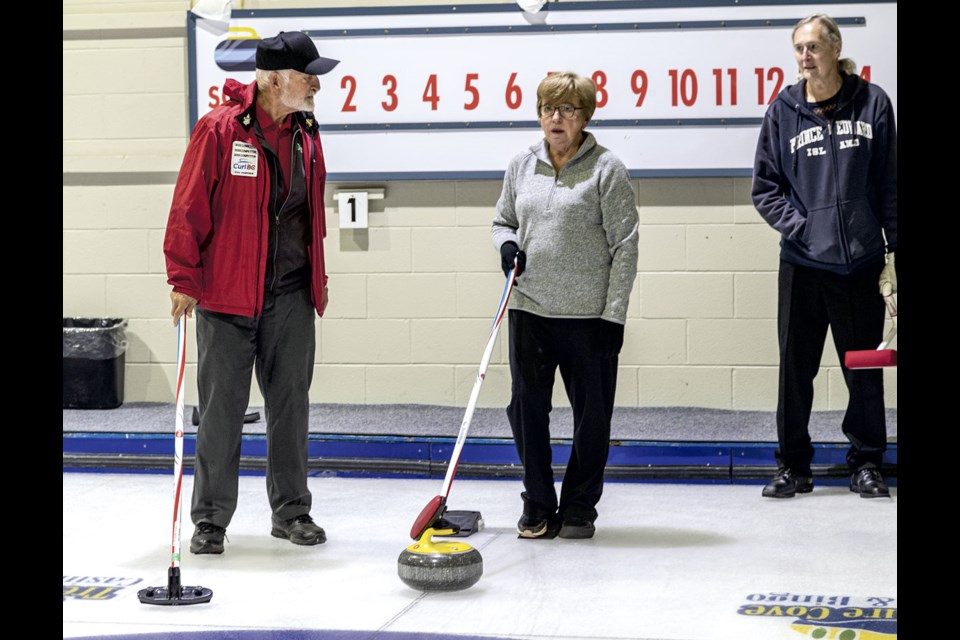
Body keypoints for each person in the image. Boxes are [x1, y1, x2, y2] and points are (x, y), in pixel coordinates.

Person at [163, 31, 339, 553]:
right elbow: (187, 209)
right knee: (221, 411)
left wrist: (316, 281)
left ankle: (291, 512)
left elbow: (310, 216)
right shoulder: (219, 130)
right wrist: (183, 279)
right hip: (226, 297)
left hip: (290, 294)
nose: (315, 84)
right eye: (308, 75)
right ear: (271, 78)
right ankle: (211, 520)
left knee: (291, 406)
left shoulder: (306, 132)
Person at [752, 14, 897, 499]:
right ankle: (793, 466)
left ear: (835, 48)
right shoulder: (782, 111)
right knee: (795, 369)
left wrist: (892, 253)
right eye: (799, 49)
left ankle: (867, 462)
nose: (805, 57)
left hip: (860, 263)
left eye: (813, 46)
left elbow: (889, 185)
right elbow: (765, 189)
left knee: (863, 368)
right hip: (802, 265)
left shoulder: (873, 103)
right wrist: (802, 228)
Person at [491, 71, 639, 539]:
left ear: (585, 116)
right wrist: (507, 244)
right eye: (548, 109)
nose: (556, 118)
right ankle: (536, 502)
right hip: (529, 309)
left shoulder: (607, 168)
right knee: (526, 410)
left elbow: (626, 245)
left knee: (592, 418)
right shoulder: (521, 164)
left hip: (589, 318)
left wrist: (614, 314)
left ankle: (578, 506)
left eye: (568, 109)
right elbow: (502, 221)